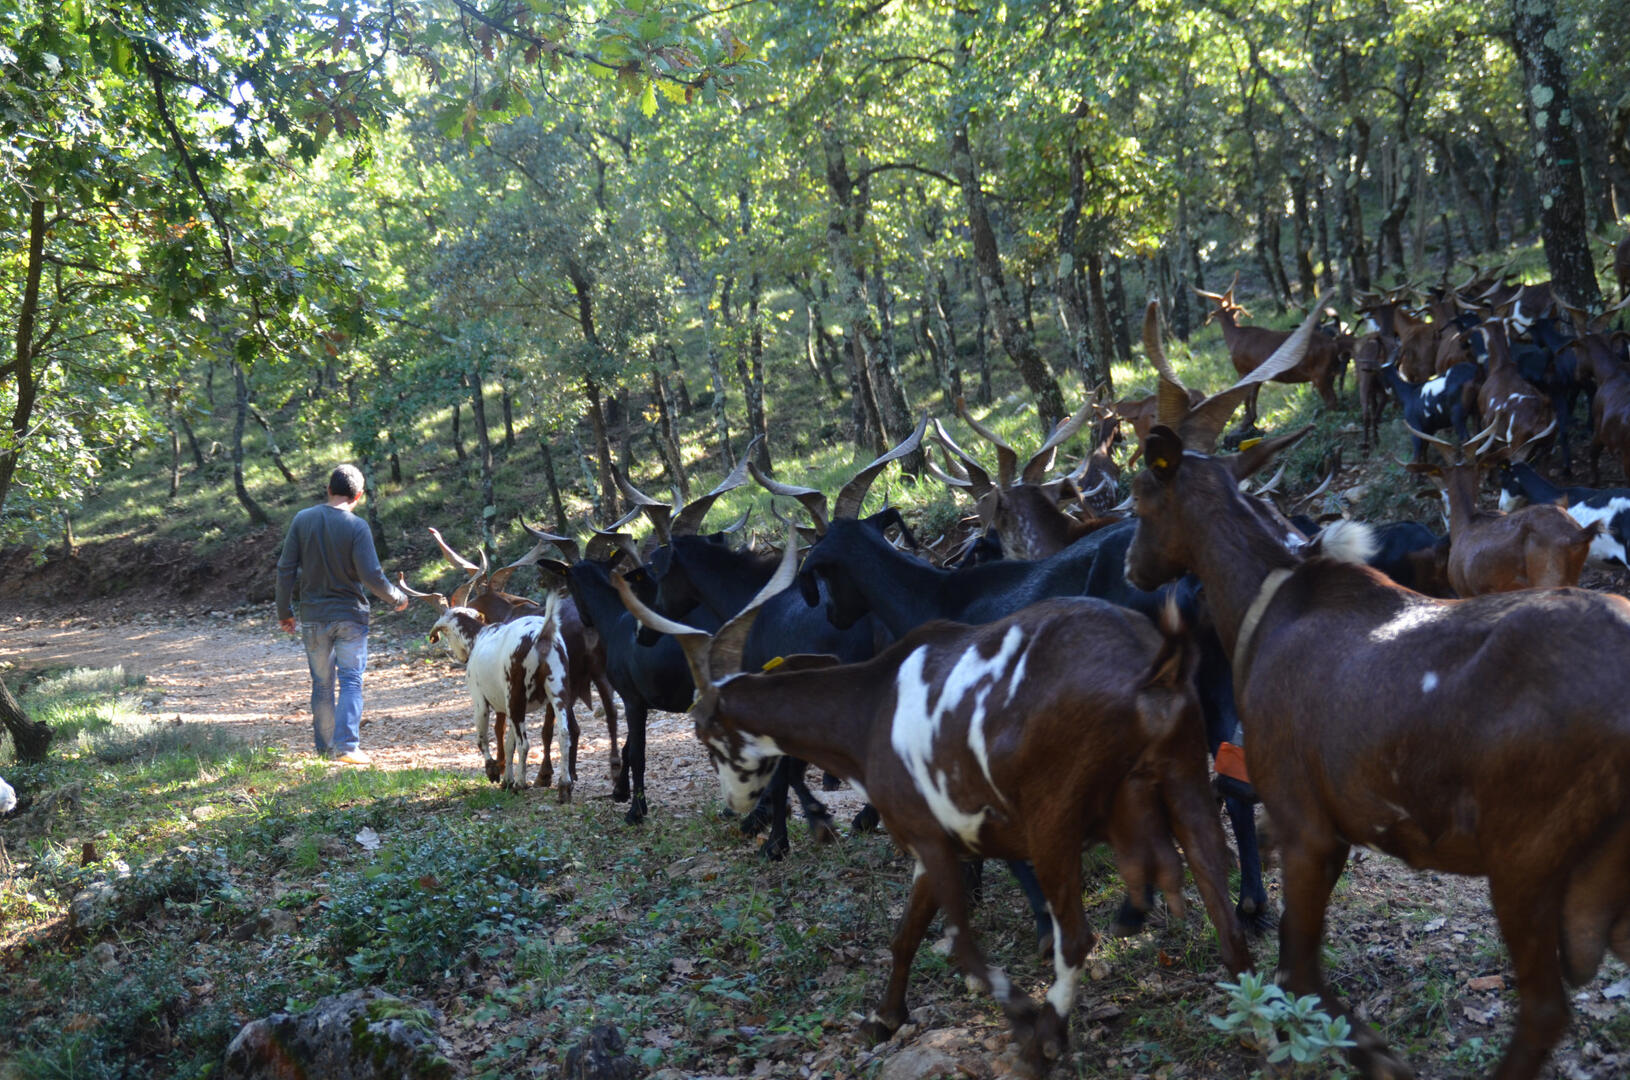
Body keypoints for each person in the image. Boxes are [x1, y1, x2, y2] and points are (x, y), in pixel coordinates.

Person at [275, 464, 408, 764]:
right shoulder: (357, 526)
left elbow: (285, 569)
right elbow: (372, 576)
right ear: (358, 495)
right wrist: (397, 598)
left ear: (328, 489)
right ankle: (347, 747)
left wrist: (284, 610)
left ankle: (324, 751)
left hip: (313, 617)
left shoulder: (302, 520)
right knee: (350, 681)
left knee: (322, 684)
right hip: (350, 617)